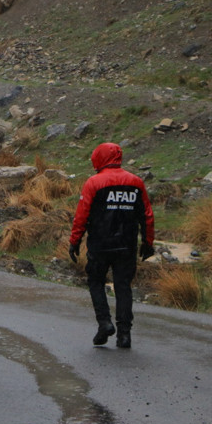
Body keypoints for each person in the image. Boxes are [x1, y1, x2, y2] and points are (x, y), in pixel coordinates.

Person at [69, 142, 155, 349]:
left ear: (99, 157)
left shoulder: (93, 183)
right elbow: (147, 215)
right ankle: (124, 335)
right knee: (123, 287)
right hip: (127, 245)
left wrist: (74, 241)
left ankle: (104, 323)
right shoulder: (136, 182)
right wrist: (148, 242)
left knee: (96, 282)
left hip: (100, 245)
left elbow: (81, 216)